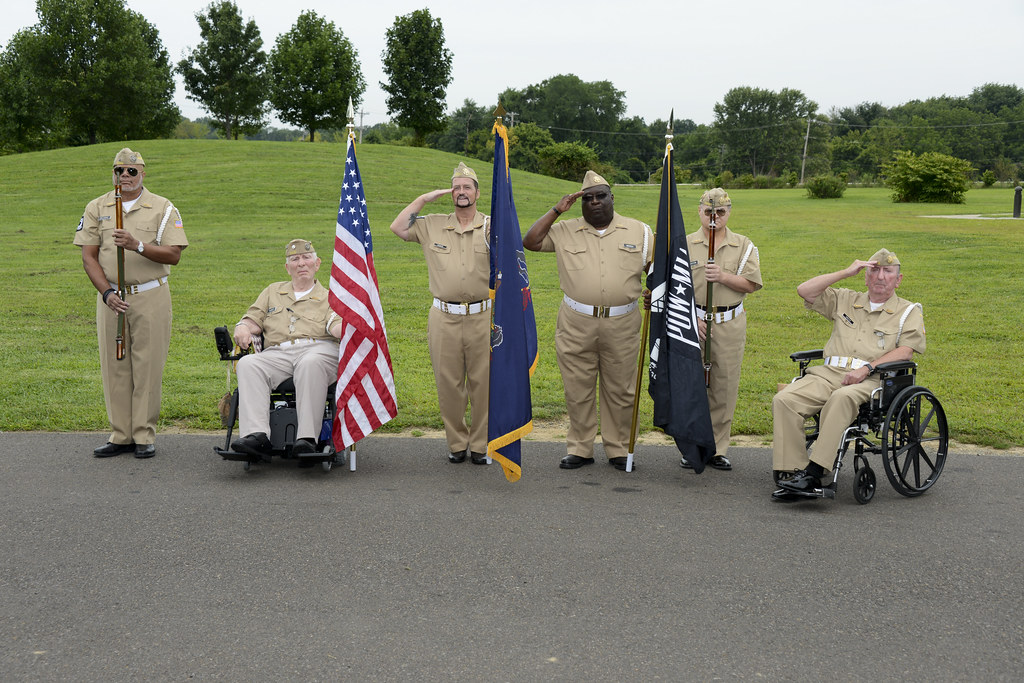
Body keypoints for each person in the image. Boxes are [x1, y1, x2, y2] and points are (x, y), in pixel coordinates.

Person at [523, 171, 652, 471]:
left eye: (600, 196)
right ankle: (580, 447)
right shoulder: (565, 229)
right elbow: (530, 241)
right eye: (588, 198)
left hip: (622, 322)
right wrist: (557, 210)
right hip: (576, 321)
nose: (594, 203)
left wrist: (652, 291)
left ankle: (618, 447)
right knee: (577, 387)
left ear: (611, 198)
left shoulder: (640, 232)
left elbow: (656, 270)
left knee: (621, 388)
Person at [772, 248, 926, 499]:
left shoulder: (908, 312)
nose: (880, 276)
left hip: (873, 379)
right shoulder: (845, 299)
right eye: (874, 270)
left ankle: (815, 470)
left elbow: (906, 352)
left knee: (842, 398)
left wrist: (867, 368)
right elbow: (805, 290)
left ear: (898, 280)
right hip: (828, 373)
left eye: (888, 272)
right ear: (865, 276)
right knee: (785, 400)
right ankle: (793, 471)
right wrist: (845, 272)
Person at [74, 148, 188, 459]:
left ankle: (143, 434)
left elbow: (174, 254)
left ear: (142, 174)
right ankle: (121, 434)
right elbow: (89, 257)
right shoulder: (98, 207)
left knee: (147, 366)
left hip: (150, 294)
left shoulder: (163, 208)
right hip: (112, 298)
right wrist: (106, 294)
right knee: (115, 366)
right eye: (119, 170)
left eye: (131, 171)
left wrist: (137, 245)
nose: (124, 176)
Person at [389, 163, 491, 465]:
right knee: (449, 384)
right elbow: (397, 227)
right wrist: (423, 199)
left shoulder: (492, 225)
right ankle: (457, 443)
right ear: (451, 192)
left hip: (483, 315)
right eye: (456, 187)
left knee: (483, 383)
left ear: (477, 193)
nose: (461, 192)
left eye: (467, 187)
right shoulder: (431, 223)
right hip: (443, 316)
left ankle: (481, 444)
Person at [230, 239, 343, 459]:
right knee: (249, 363)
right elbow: (254, 319)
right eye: (295, 259)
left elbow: (335, 323)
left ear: (317, 263)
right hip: (278, 353)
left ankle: (307, 438)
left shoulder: (331, 296)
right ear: (287, 267)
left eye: (306, 258)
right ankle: (256, 436)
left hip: (318, 349)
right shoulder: (273, 291)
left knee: (310, 363)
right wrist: (242, 326)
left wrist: (345, 328)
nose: (301, 263)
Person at [683, 188, 762, 471]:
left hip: (728, 323)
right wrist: (692, 318)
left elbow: (751, 285)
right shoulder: (684, 243)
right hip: (693, 321)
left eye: (720, 212)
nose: (714, 217)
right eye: (708, 211)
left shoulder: (744, 245)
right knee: (692, 386)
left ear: (729, 212)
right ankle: (691, 446)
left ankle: (716, 448)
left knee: (724, 387)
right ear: (699, 211)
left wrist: (724, 277)